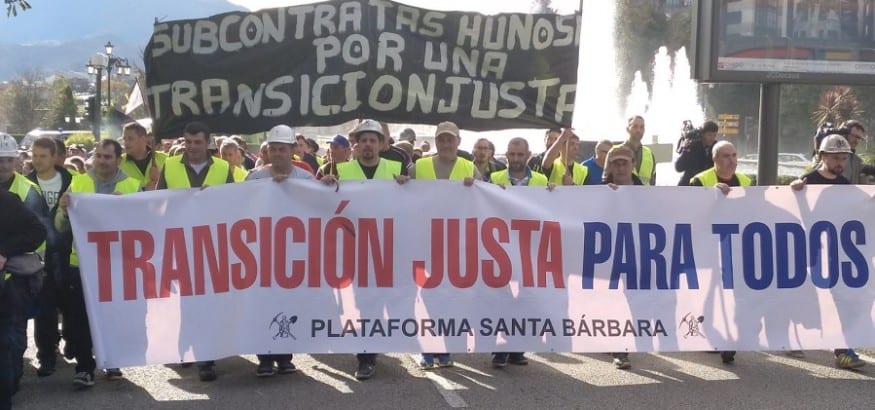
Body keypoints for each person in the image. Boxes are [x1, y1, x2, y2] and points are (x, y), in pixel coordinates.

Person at [320, 120, 409, 380]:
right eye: (363, 140)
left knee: (380, 301)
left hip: (385, 249)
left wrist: (407, 185)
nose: (368, 144)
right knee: (360, 303)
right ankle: (365, 356)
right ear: (356, 144)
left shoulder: (396, 169)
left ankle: (373, 346)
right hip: (353, 248)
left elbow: (411, 204)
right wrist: (322, 185)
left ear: (381, 144)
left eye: (373, 140)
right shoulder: (339, 169)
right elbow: (316, 203)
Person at [55, 139, 141, 388]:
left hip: (117, 264)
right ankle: (84, 367)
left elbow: (145, 223)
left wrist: (126, 208)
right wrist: (62, 210)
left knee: (114, 315)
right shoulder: (79, 182)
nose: (102, 161)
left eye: (107, 157)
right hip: (81, 264)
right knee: (80, 318)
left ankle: (112, 359)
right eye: (99, 156)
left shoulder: (132, 186)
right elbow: (61, 226)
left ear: (118, 159)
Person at [156, 121, 234, 382]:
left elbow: (236, 203)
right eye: (188, 142)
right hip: (181, 243)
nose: (192, 147)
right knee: (184, 301)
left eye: (197, 142)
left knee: (207, 302)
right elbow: (159, 202)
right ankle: (184, 347)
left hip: (212, 244)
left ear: (208, 142)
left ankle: (206, 357)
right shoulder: (170, 165)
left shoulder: (223, 168)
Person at [790, 134, 866, 370]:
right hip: (808, 253)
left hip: (834, 254)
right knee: (802, 296)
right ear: (822, 156)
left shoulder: (844, 186)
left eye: (843, 158)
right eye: (835, 158)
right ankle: (791, 338)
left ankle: (843, 349)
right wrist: (794, 191)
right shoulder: (806, 181)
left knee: (841, 299)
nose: (840, 163)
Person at [245, 125, 313, 377]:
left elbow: (317, 208)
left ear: (293, 150)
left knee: (289, 303)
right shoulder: (255, 179)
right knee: (263, 305)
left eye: (282, 149)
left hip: (293, 254)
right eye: (272, 149)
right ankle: (264, 357)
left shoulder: (305, 180)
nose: (277, 154)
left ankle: (285, 357)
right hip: (261, 253)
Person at [27, 137, 74, 378]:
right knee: (44, 308)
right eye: (34, 155)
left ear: (54, 157)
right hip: (39, 255)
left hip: (67, 253)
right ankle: (46, 355)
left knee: (69, 301)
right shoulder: (26, 184)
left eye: (42, 156)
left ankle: (71, 341)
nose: (37, 160)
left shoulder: (71, 180)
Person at [0, 189, 46, 410]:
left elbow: (38, 231)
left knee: (6, 344)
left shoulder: (6, 201)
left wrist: (4, 252)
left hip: (6, 288)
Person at [120, 122, 167, 191]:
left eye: (130, 139)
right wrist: (143, 190)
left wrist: (160, 179)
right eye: (124, 139)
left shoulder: (165, 159)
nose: (126, 143)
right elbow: (115, 191)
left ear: (143, 139)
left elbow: (175, 187)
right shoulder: (119, 163)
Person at [675, 121, 719, 186]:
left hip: (707, 186)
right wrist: (685, 150)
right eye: (709, 135)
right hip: (688, 185)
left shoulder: (716, 147)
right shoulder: (692, 147)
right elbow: (678, 167)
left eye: (714, 135)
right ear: (702, 134)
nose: (712, 138)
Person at [620, 115, 657, 185]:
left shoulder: (649, 154)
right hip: (622, 195)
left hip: (644, 195)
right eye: (635, 126)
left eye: (641, 127)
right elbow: (606, 181)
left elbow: (652, 182)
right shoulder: (616, 151)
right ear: (627, 129)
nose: (638, 130)